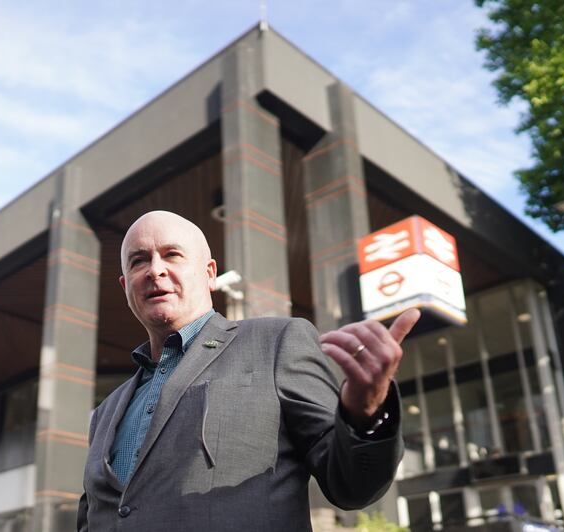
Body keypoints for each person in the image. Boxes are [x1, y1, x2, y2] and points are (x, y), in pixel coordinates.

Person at [76, 210, 420, 531]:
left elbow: (351, 485)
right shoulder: (106, 413)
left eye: (172, 255)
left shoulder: (276, 343)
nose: (155, 270)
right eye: (139, 261)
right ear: (125, 286)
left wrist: (366, 414)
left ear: (210, 274)